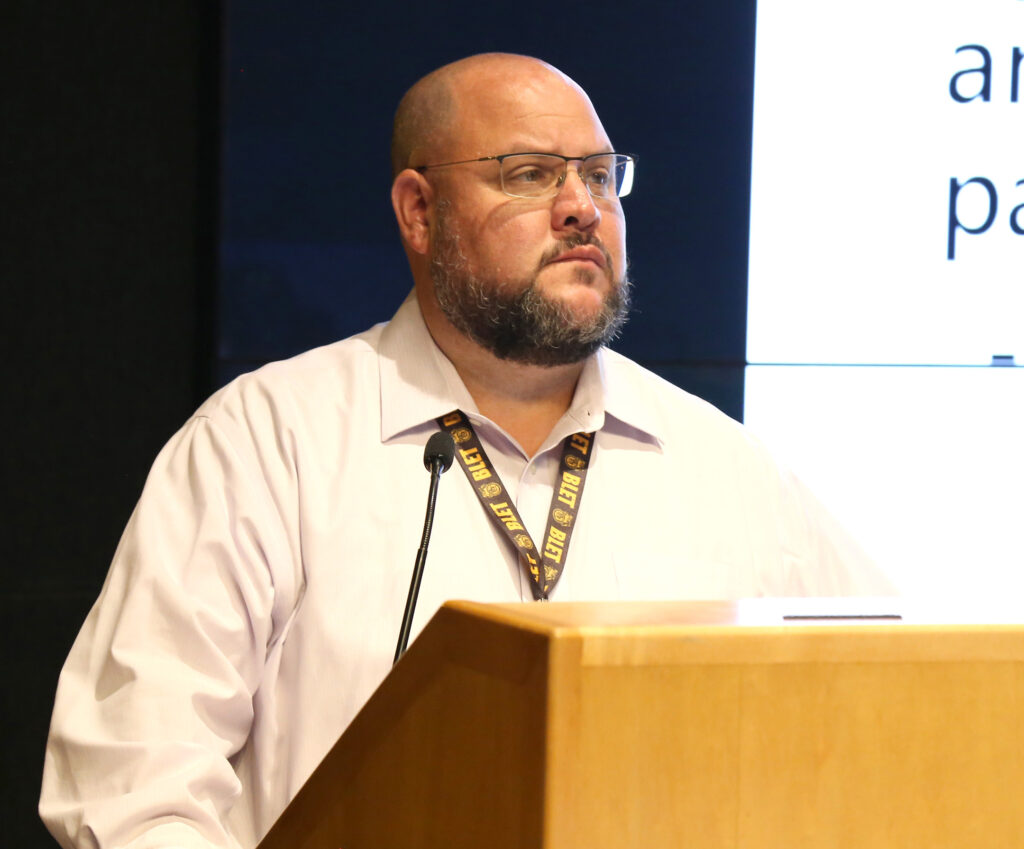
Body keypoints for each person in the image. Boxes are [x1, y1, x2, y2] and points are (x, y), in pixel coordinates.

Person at [40, 53, 893, 849]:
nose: (583, 207)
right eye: (531, 174)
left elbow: (898, 710)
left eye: (600, 176)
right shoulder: (267, 443)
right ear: (420, 211)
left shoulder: (726, 468)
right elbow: (134, 788)